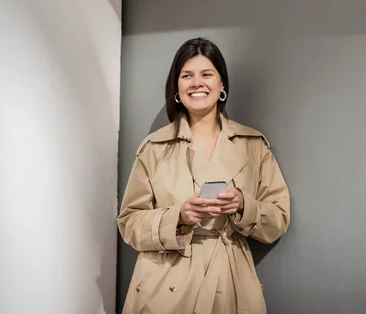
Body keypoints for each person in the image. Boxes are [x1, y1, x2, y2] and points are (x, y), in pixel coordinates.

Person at [117, 37, 291, 314]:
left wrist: (243, 204)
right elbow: (129, 222)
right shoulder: (154, 147)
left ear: (222, 85)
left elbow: (278, 219)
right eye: (187, 75)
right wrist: (178, 217)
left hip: (231, 281)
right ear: (177, 87)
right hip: (166, 283)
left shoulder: (253, 145)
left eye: (207, 74)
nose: (197, 83)